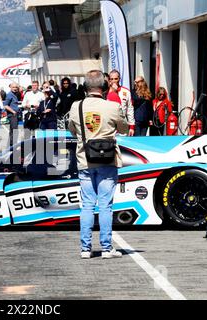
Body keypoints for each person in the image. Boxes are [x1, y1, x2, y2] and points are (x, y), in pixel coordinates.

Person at [68, 70, 128, 260]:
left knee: (87, 204)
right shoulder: (112, 106)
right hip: (108, 160)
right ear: (104, 87)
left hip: (85, 160)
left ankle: (85, 248)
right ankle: (106, 248)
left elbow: (71, 130)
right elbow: (124, 128)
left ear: (85, 88)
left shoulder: (76, 107)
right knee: (105, 205)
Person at [108, 70, 135, 136]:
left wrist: (132, 126)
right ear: (109, 80)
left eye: (116, 79)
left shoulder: (126, 91)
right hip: (109, 126)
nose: (114, 81)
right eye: (112, 79)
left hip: (122, 126)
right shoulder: (105, 92)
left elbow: (130, 109)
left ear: (119, 79)